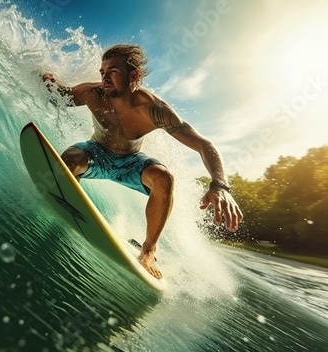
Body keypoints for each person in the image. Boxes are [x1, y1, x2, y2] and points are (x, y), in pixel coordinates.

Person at [42, 44, 243, 279]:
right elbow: (60, 96)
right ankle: (70, 194)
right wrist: (47, 80)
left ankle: (148, 251)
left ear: (134, 75)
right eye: (102, 72)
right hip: (96, 153)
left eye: (113, 71)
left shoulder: (155, 110)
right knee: (69, 159)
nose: (105, 78)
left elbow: (203, 144)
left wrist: (220, 185)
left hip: (131, 162)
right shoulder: (92, 94)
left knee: (164, 178)